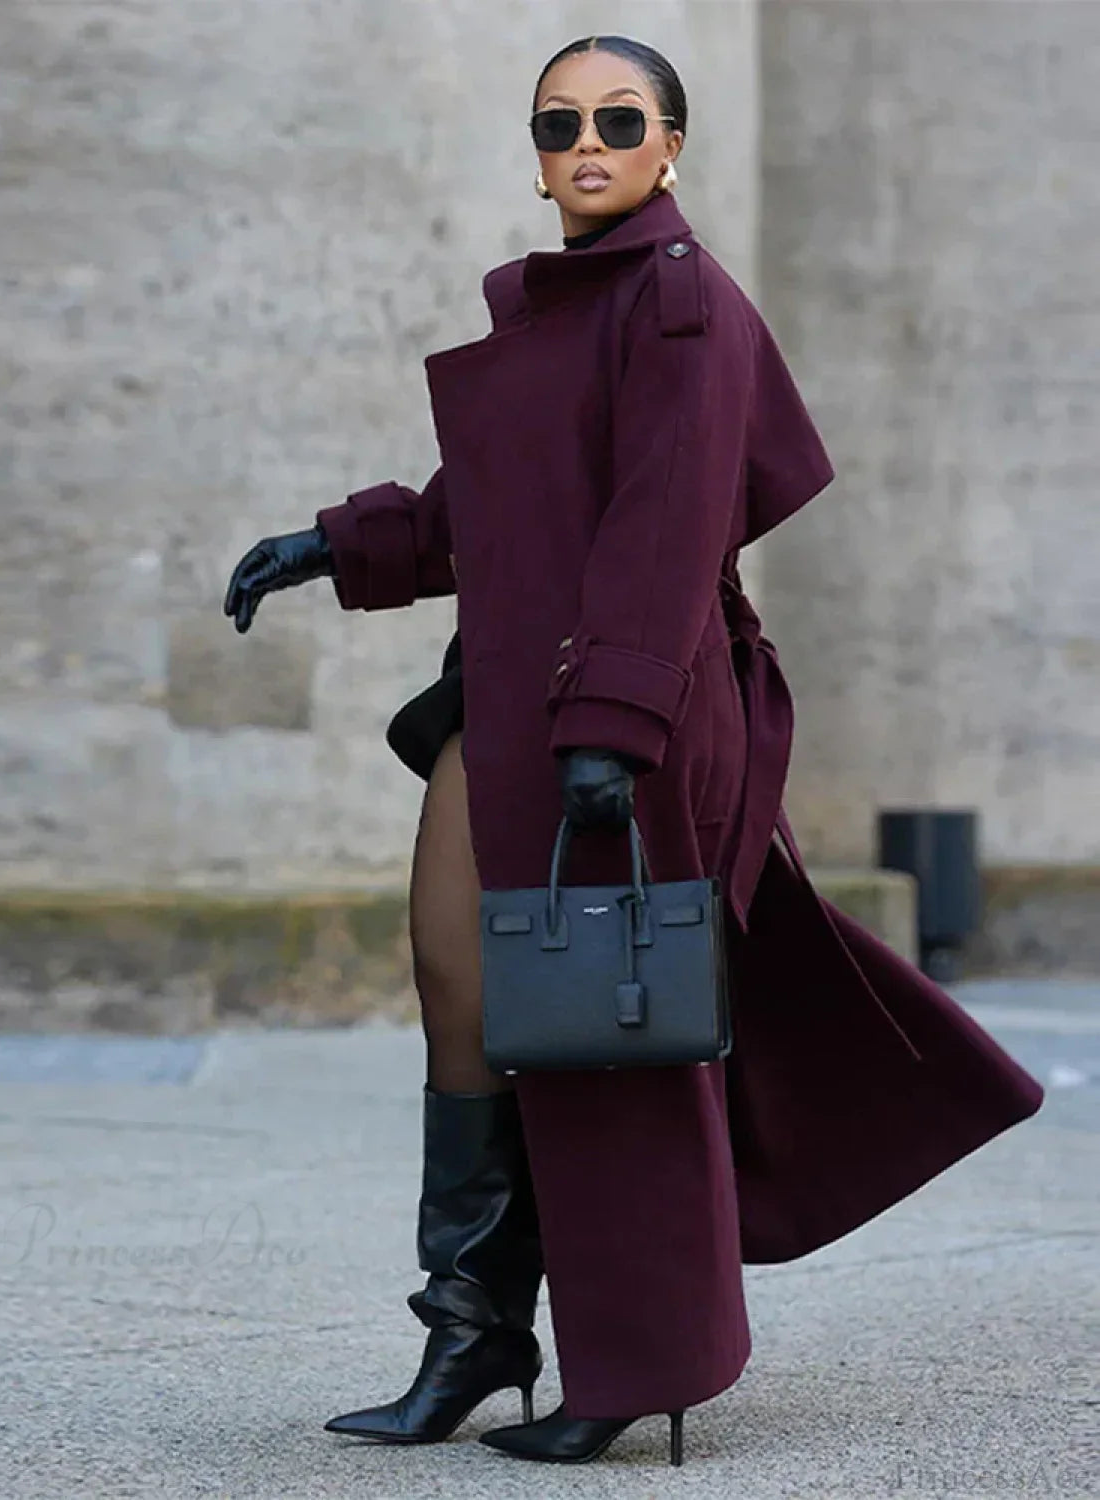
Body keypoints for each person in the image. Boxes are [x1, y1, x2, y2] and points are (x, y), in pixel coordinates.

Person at [224, 35, 1044, 1468]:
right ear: (535, 151)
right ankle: (473, 1328)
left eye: (619, 120)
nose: (587, 143)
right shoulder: (575, 307)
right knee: (467, 994)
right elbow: (500, 502)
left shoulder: (679, 303)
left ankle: (636, 1361)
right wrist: (329, 545)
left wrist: (612, 728)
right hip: (519, 691)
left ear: (670, 146)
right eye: (560, 124)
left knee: (603, 1027)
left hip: (630, 705)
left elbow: (667, 527)